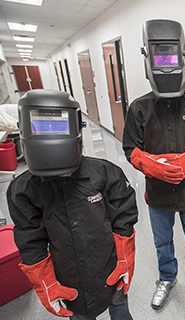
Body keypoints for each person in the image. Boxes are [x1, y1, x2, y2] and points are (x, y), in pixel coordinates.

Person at [6, 89, 138, 320]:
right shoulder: (23, 190)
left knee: (119, 309)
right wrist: (44, 282)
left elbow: (124, 219)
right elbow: (30, 240)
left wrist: (125, 257)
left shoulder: (105, 173)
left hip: (111, 268)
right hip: (69, 280)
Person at [122, 19, 185, 312]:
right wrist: (151, 165)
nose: (165, 63)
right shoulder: (139, 108)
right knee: (162, 243)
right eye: (159, 56)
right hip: (159, 196)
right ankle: (166, 278)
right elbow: (130, 148)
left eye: (170, 56)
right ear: (148, 60)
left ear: (183, 56)